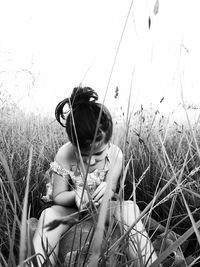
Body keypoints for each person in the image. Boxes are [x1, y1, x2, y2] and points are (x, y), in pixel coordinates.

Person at [32, 86, 157, 266]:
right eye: (83, 156)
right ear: (73, 144)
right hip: (71, 209)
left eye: (98, 154)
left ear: (108, 141)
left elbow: (111, 187)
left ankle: (149, 263)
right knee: (48, 216)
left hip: (101, 208)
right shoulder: (64, 154)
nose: (91, 162)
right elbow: (58, 196)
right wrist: (77, 195)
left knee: (129, 208)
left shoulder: (115, 155)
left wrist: (107, 188)